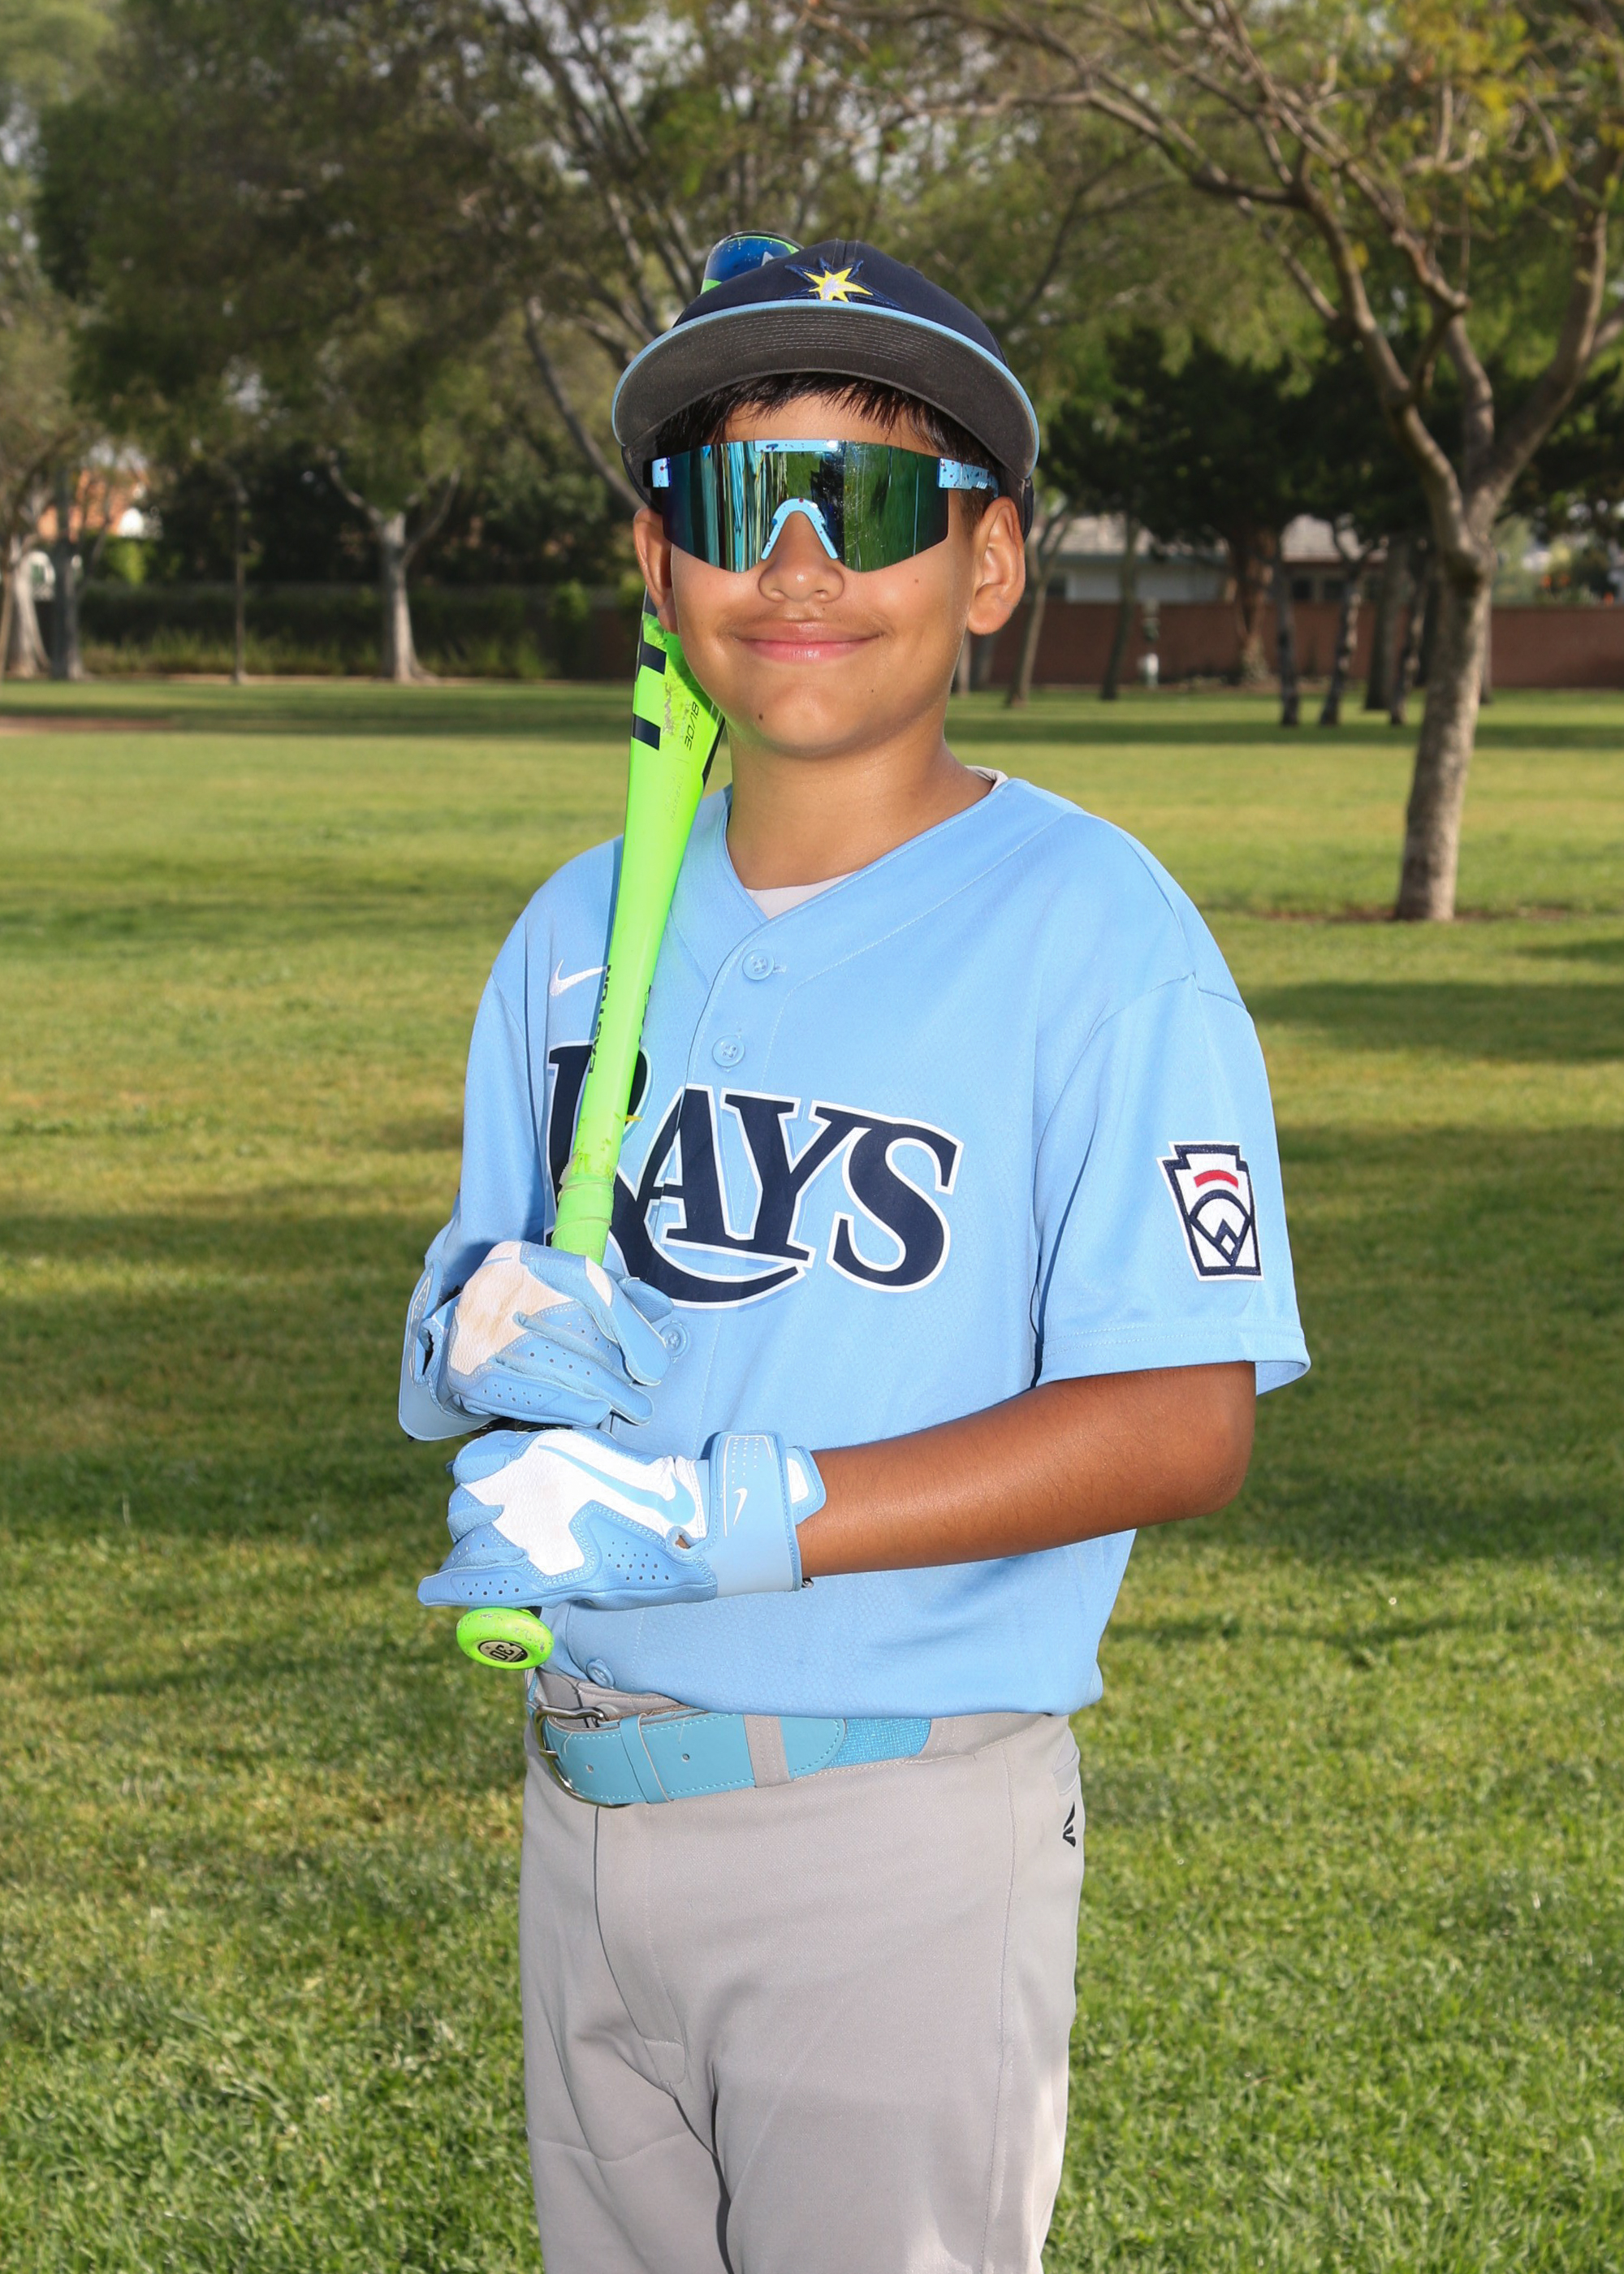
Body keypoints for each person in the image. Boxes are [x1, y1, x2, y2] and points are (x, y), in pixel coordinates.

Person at [400, 235, 1309, 2274]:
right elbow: (489, 1270)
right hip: (584, 1800)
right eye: (740, 498)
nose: (799, 559)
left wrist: (732, 1516)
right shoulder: (573, 929)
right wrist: (476, 1326)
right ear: (660, 562)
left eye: (873, 498)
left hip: (892, 1834)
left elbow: (1181, 1417)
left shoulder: (1097, 930)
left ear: (989, 562)